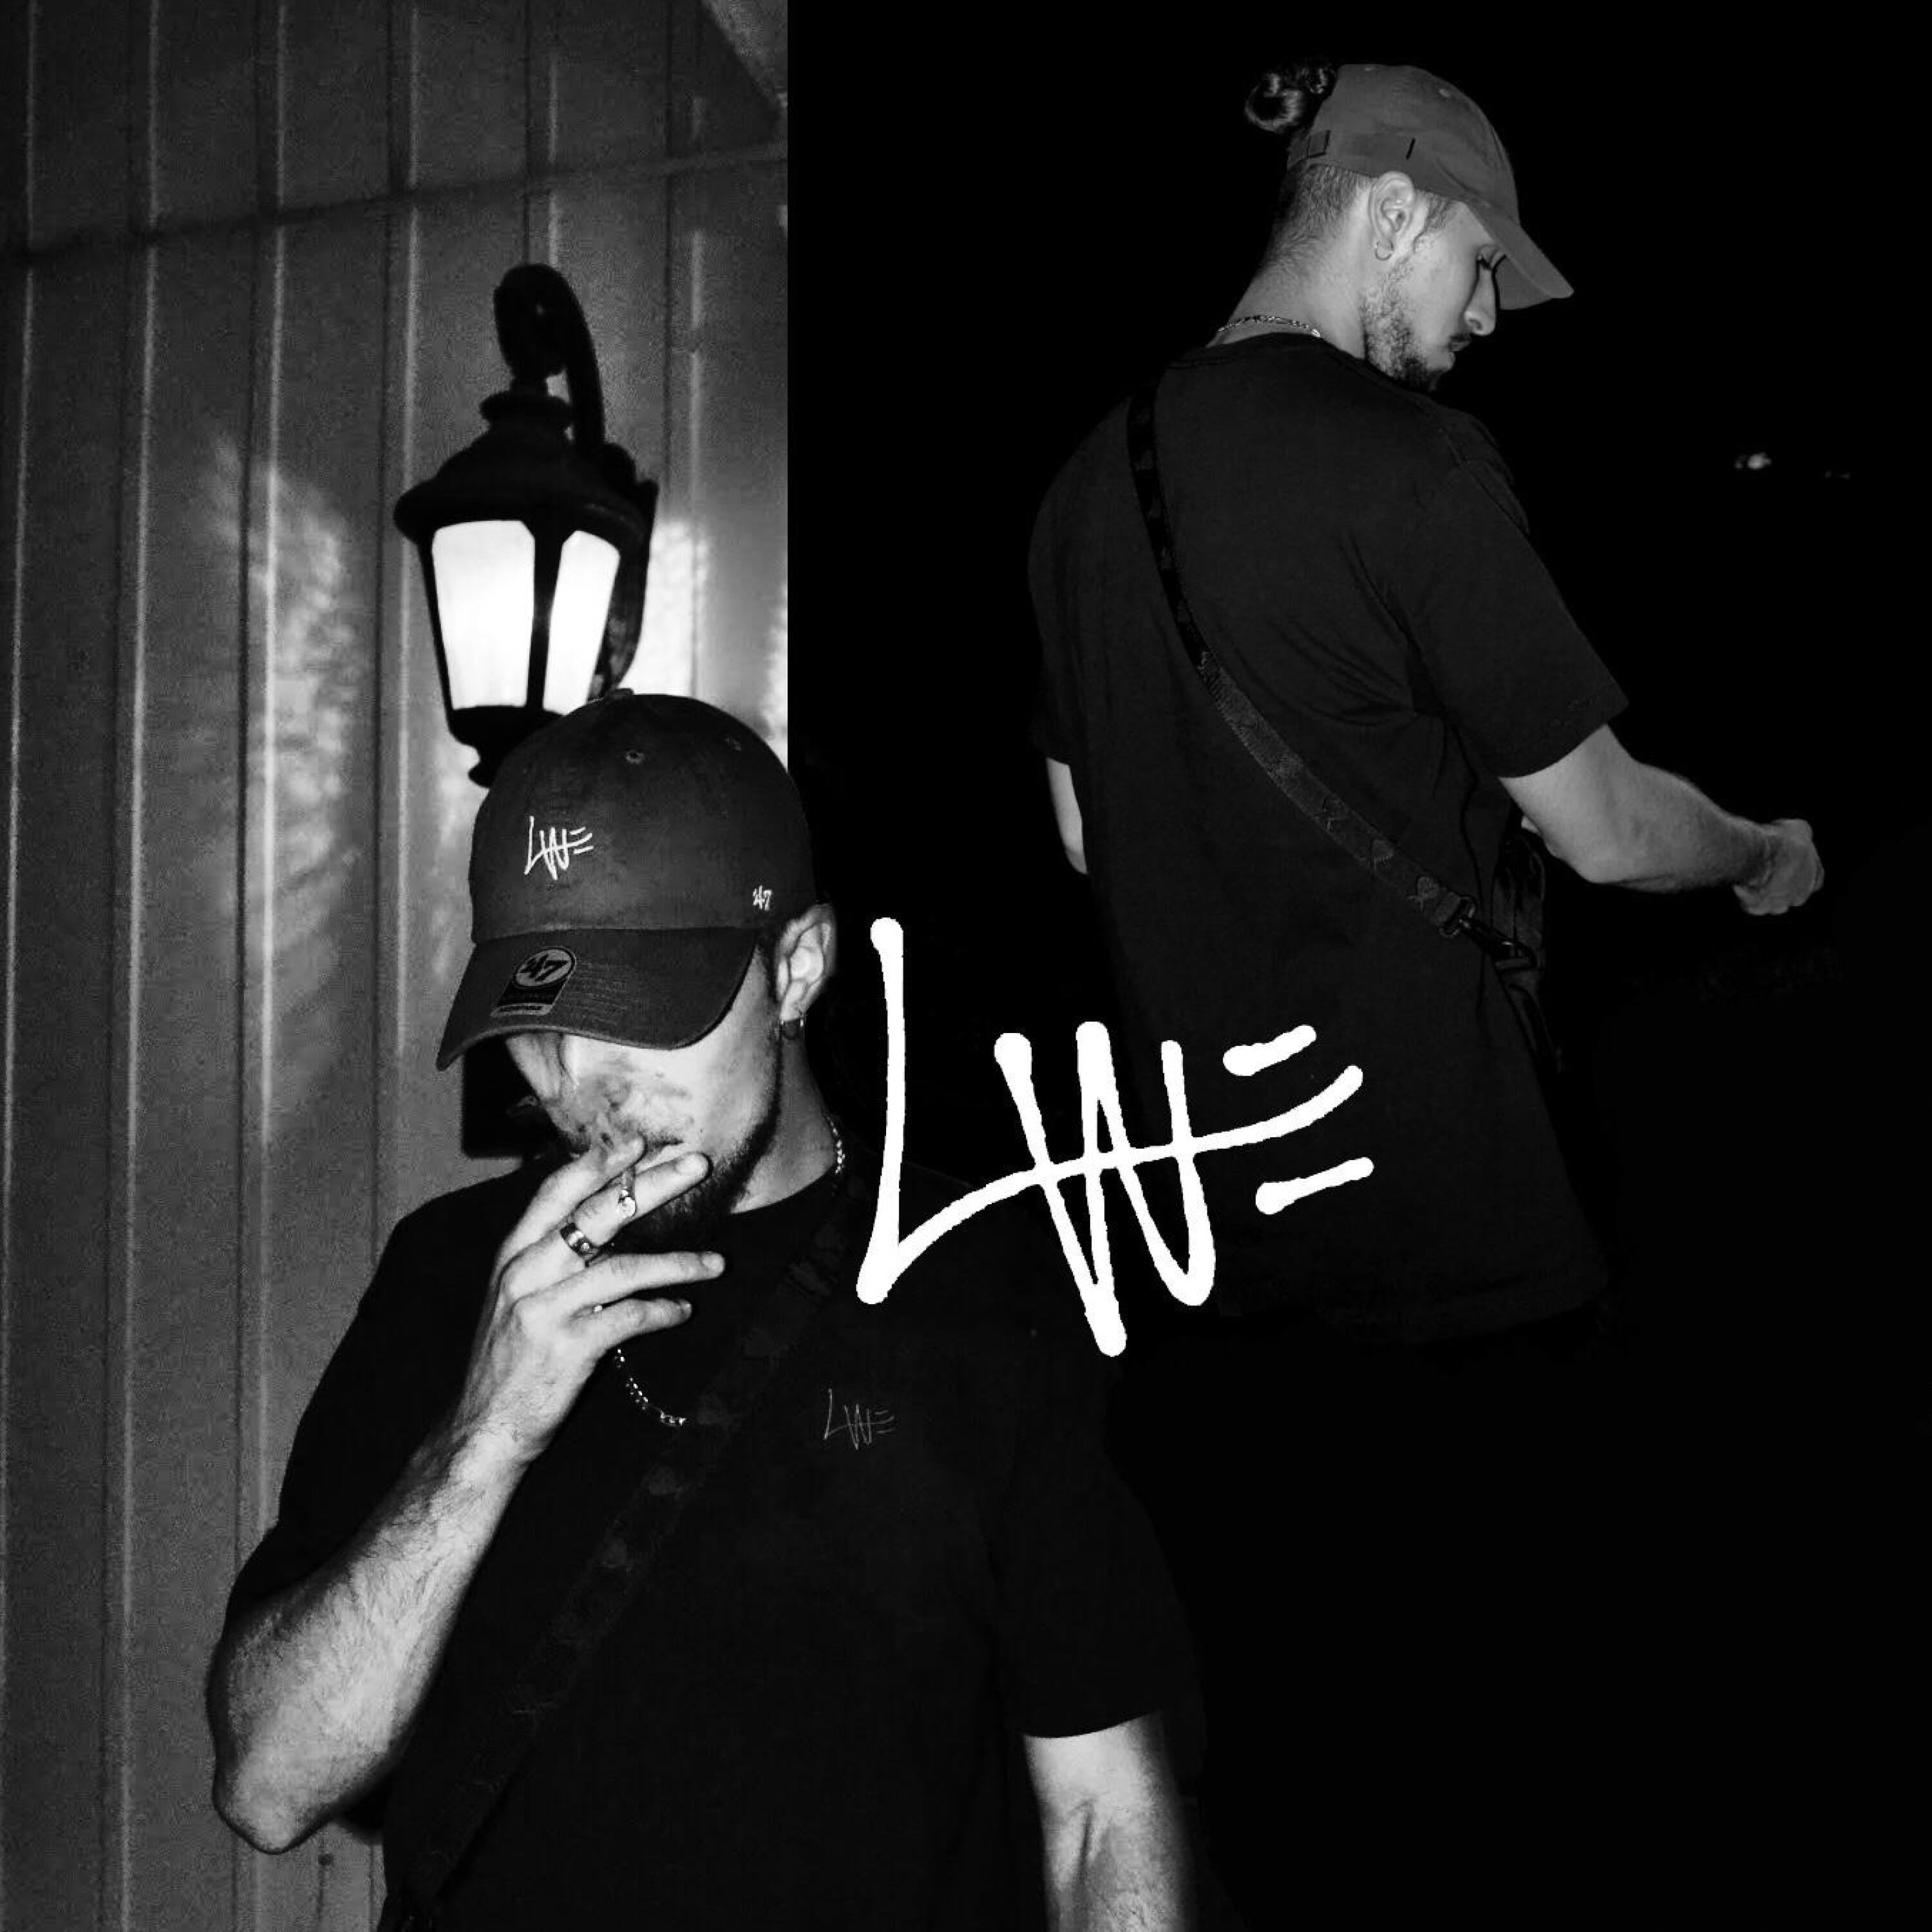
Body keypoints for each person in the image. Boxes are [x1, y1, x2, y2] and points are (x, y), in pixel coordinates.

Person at [1027, 56, 1824, 1915]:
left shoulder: (1080, 492)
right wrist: (1760, 849)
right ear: (1390, 210)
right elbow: (1608, 830)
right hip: (1457, 1241)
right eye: (1478, 268)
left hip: (1212, 1267)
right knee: (1515, 1749)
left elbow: (1079, 830)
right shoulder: (1409, 464)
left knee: (1293, 1763)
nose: (1484, 322)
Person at [207, 692, 1195, 1931]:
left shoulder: (983, 1287)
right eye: (539, 1026)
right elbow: (269, 1786)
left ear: (798, 969)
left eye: (641, 1017)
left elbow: (1104, 1814)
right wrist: (483, 1439)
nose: (582, 1088)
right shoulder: (450, 1273)